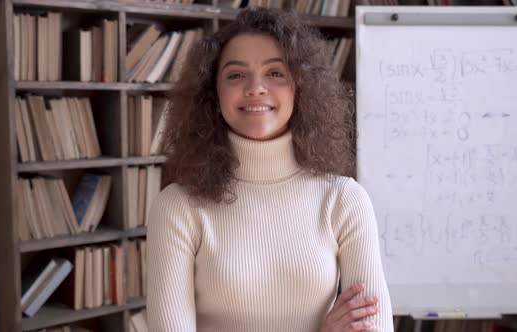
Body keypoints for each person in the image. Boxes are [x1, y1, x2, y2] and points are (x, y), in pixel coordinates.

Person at [147, 6, 393, 332]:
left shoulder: (345, 200)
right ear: (213, 93)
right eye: (236, 75)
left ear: (300, 86)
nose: (256, 88)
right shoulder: (177, 206)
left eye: (275, 73)